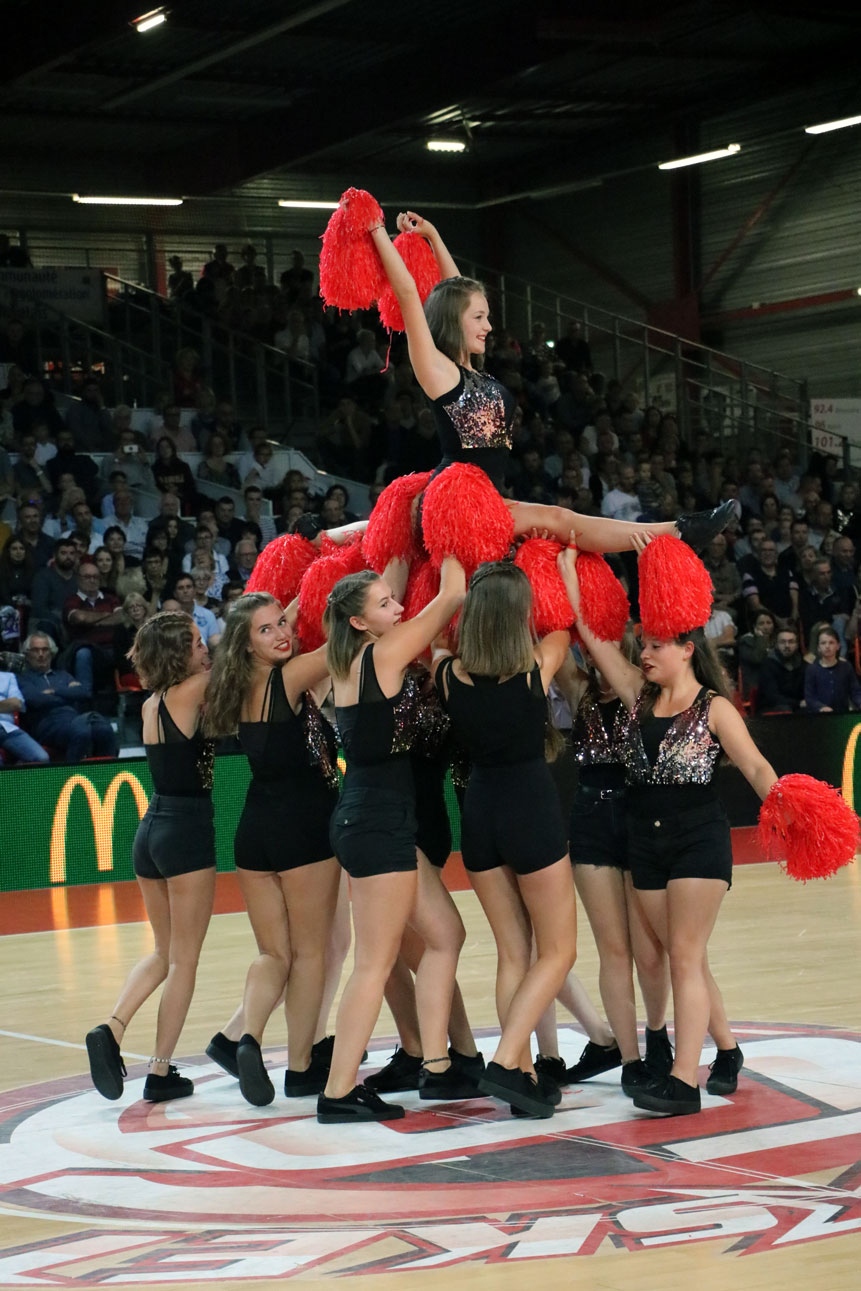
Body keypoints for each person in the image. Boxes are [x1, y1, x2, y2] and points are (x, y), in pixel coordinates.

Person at [559, 536, 781, 1115]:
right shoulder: (636, 697)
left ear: (686, 649)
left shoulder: (714, 708)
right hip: (644, 842)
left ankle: (685, 1081)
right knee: (682, 954)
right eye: (644, 644)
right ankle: (727, 1050)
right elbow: (590, 636)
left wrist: (787, 807)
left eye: (656, 645)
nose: (645, 654)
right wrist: (567, 575)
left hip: (698, 840)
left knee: (683, 955)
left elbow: (755, 765)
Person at [368, 211, 733, 553]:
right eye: (479, 317)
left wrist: (432, 235)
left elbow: (455, 289)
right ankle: (677, 532)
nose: (489, 326)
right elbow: (407, 294)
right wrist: (376, 230)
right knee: (560, 518)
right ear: (454, 321)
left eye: (487, 316)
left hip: (491, 495)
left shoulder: (474, 371)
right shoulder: (437, 370)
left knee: (563, 521)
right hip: (459, 505)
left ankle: (675, 534)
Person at [318, 557, 466, 1123]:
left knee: (446, 934)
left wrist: (398, 557)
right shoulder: (381, 655)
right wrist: (455, 531)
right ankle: (337, 1093)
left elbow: (401, 602)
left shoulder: (352, 657)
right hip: (377, 822)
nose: (397, 608)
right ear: (359, 621)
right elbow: (450, 594)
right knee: (374, 963)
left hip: (376, 818)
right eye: (384, 605)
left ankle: (436, 1063)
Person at [432, 562, 576, 1117]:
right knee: (559, 949)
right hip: (530, 809)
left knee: (513, 950)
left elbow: (438, 635)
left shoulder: (448, 674)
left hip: (479, 813)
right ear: (520, 618)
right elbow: (563, 625)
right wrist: (555, 562)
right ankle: (507, 1060)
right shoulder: (535, 669)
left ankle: (521, 1076)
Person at [205, 594, 341, 1106]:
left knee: (272, 954)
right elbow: (343, 641)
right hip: (302, 831)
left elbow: (293, 609)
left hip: (253, 833)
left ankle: (249, 1037)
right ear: (247, 644)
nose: (281, 632)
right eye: (265, 630)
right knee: (310, 956)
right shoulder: (285, 680)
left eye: (281, 623)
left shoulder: (233, 684)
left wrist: (308, 572)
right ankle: (302, 1066)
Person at [84, 611, 214, 1103]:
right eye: (199, 642)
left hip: (151, 829)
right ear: (180, 653)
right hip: (185, 831)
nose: (207, 649)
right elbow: (247, 666)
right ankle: (160, 1072)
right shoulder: (195, 687)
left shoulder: (151, 702)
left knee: (164, 951)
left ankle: (112, 1027)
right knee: (185, 960)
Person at [18, 632, 118, 761]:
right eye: (35, 650)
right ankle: (71, 777)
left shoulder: (63, 675)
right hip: (47, 724)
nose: (41, 655)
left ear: (52, 653)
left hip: (75, 719)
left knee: (104, 729)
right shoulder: (23, 678)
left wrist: (53, 691)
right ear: (27, 654)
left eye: (45, 650)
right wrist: (68, 692)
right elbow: (36, 700)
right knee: (81, 731)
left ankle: (108, 775)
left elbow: (83, 692)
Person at [804, 623, 861, 713]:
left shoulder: (846, 666)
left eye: (831, 642)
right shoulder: (812, 669)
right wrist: (820, 707)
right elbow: (810, 697)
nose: (827, 646)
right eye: (823, 643)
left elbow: (856, 691)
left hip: (842, 714)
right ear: (818, 647)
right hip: (820, 716)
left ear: (838, 646)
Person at [0, 665, 49, 764]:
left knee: (41, 758)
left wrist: (11, 704)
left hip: (7, 729)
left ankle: (16, 777)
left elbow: (17, 704)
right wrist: (6, 704)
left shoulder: (8, 677)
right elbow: (11, 703)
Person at [757, 625, 807, 714]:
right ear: (776, 644)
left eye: (791, 642)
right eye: (782, 642)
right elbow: (772, 697)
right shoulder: (768, 664)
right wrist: (798, 703)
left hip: (798, 708)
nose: (787, 645)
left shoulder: (803, 664)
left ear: (797, 645)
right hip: (772, 709)